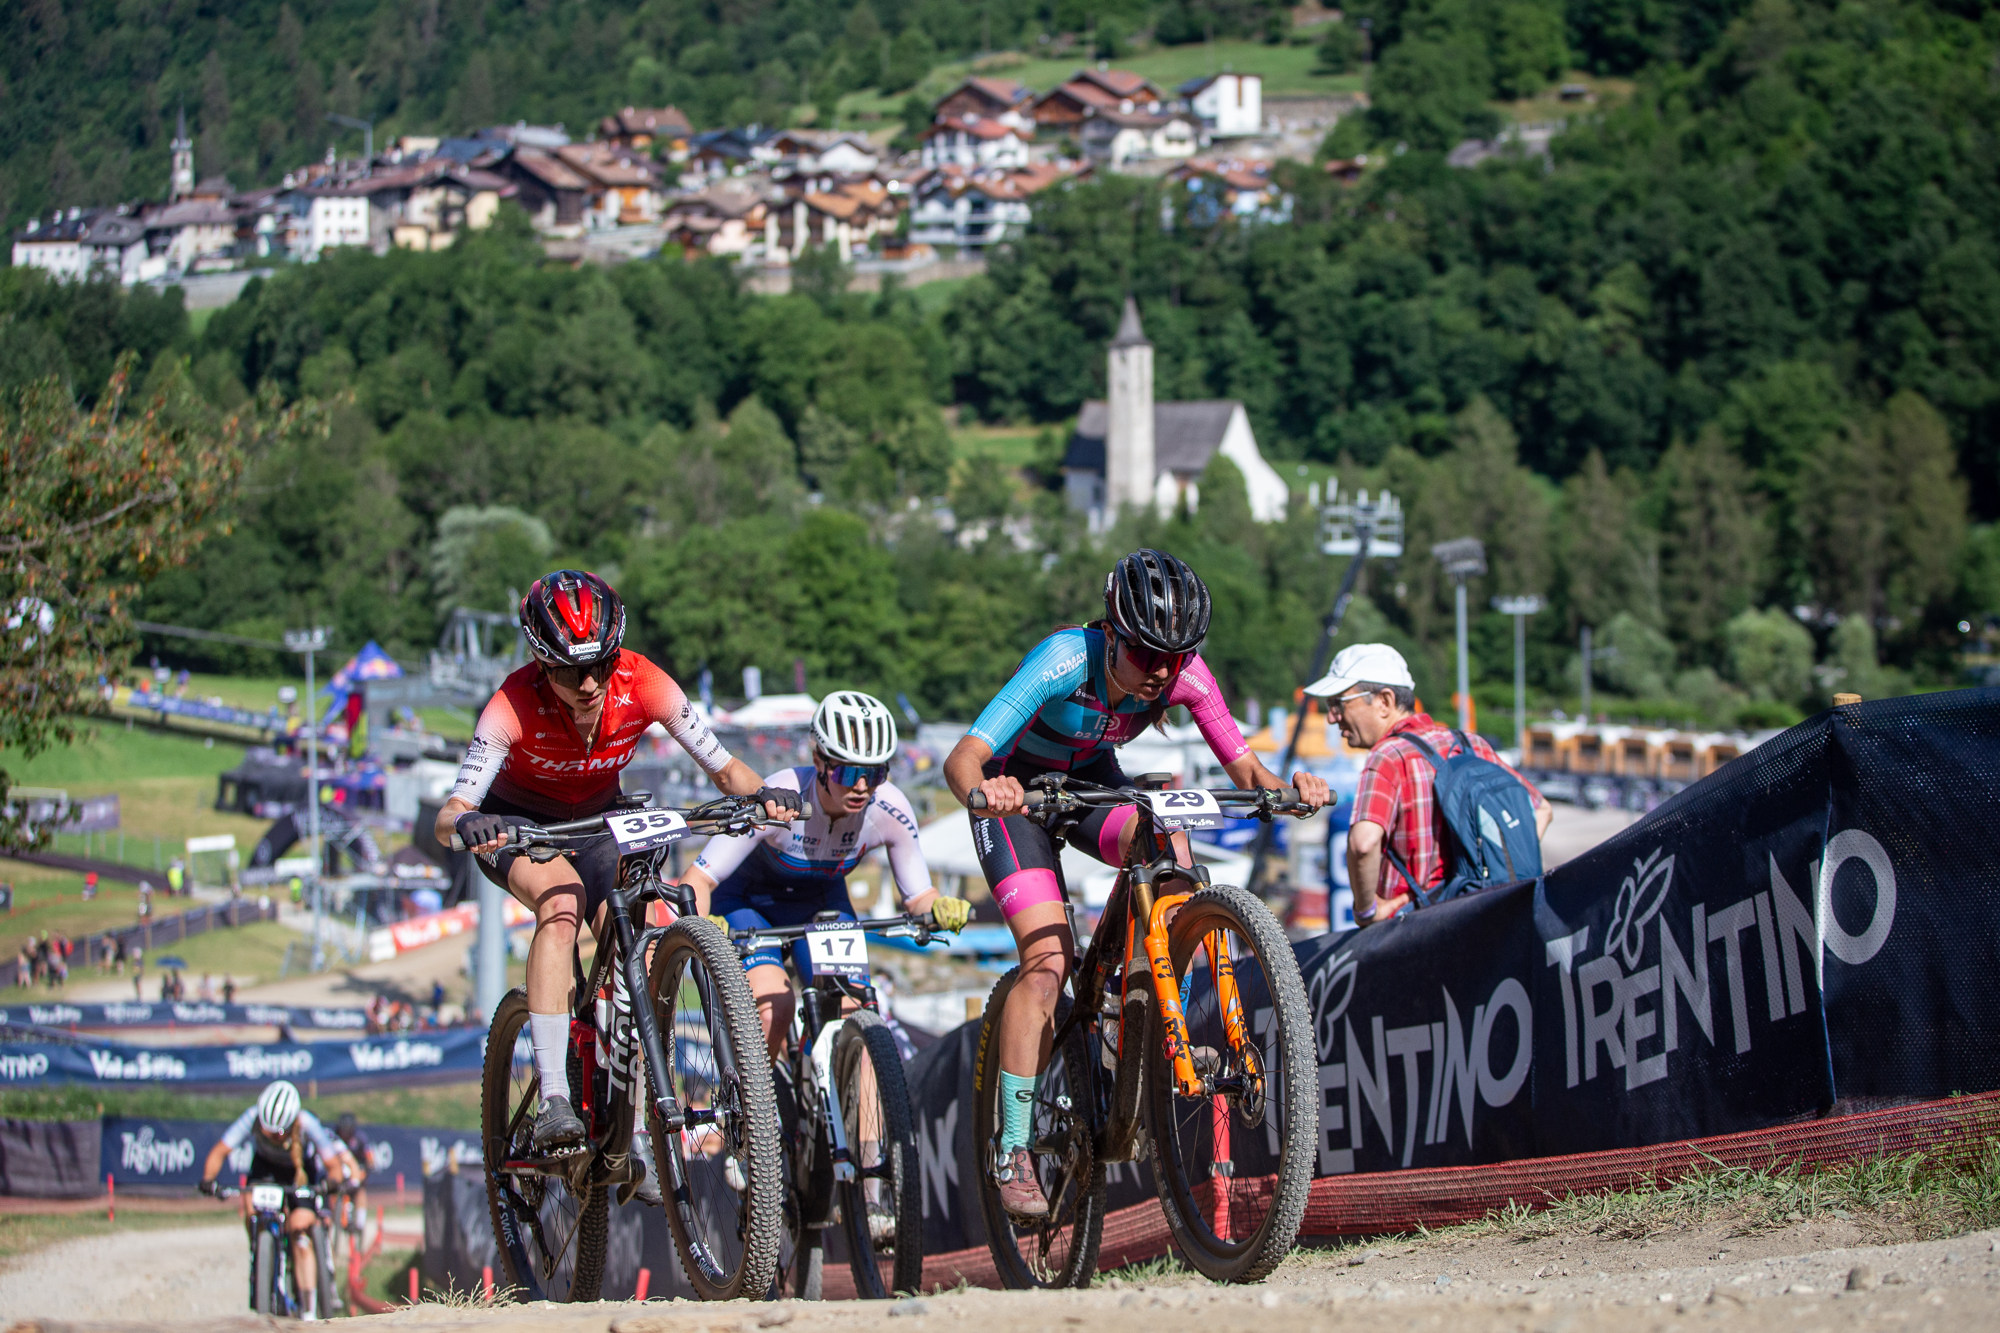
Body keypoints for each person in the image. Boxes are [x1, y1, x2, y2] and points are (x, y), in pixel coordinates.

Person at [943, 549, 1330, 1219]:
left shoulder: (1184, 673)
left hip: (1090, 782)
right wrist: (988, 790)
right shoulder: (1065, 658)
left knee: (1168, 843)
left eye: (1174, 658)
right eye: (1145, 653)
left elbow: (1248, 772)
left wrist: (1290, 790)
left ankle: (1141, 1012)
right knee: (1047, 967)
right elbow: (964, 758)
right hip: (1016, 797)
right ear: (1113, 632)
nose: (1160, 671)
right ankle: (1012, 1147)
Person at [432, 569, 799, 1174]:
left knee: (643, 936)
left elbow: (724, 767)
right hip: (518, 826)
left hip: (599, 820)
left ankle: (631, 1115)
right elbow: (450, 814)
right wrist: (468, 822)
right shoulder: (510, 704)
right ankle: (554, 1097)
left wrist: (765, 798)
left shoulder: (644, 680)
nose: (589, 684)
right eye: (569, 671)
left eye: (601, 665)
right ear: (540, 662)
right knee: (561, 903)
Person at [680, 692, 972, 1061]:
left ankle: (830, 1089)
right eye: (847, 773)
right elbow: (698, 879)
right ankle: (754, 1098)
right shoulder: (782, 794)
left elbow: (918, 896)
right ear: (818, 760)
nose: (862, 787)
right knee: (774, 1010)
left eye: (875, 774)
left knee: (855, 1017)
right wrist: (702, 925)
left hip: (822, 905)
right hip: (747, 904)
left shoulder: (890, 808)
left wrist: (939, 906)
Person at [1305, 643, 1553, 926]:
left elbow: (1363, 844)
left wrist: (1366, 911)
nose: (1331, 717)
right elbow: (1541, 809)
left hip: (1416, 928)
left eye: (1338, 703)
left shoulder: (1388, 756)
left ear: (1384, 701)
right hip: (1480, 917)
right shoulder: (1471, 744)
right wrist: (1500, 867)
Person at [198, 1079, 364, 1322]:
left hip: (300, 1173)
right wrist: (208, 1180)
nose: (272, 1136)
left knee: (300, 1227)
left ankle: (308, 1310)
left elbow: (333, 1165)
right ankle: (261, 1251)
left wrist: (331, 1182)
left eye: (278, 1132)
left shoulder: (307, 1123)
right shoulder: (251, 1117)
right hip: (265, 1170)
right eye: (267, 1131)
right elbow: (220, 1151)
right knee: (250, 1205)